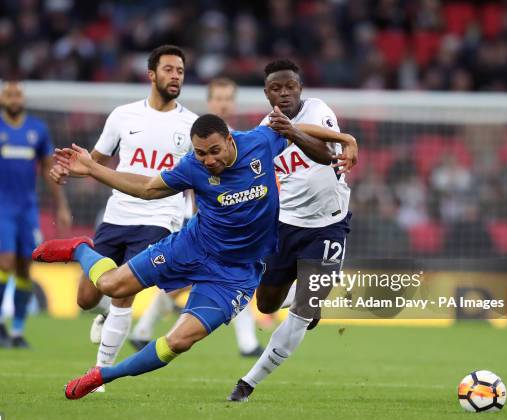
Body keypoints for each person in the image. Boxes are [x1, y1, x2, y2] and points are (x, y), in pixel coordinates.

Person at [33, 111, 334, 400]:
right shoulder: (192, 166)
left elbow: (300, 129)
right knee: (110, 286)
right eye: (201, 153)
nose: (209, 160)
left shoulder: (260, 141)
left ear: (230, 140)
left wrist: (344, 139)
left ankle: (102, 376)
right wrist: (94, 169)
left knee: (177, 342)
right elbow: (149, 189)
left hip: (234, 275)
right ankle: (79, 249)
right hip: (190, 248)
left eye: (214, 151)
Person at [50, 45, 197, 388]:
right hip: (117, 215)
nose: (176, 76)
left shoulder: (190, 125)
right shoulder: (122, 116)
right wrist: (67, 172)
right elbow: (94, 162)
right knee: (86, 298)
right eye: (169, 70)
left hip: (162, 216)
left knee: (122, 293)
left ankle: (98, 375)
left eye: (180, 71)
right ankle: (101, 314)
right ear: (152, 75)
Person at [228, 59, 358, 402]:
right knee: (267, 305)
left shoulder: (317, 111)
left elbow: (325, 155)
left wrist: (292, 131)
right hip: (284, 225)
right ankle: (307, 300)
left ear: (300, 89)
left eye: (290, 87)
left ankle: (247, 383)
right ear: (267, 92)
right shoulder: (264, 128)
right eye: (276, 88)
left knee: (301, 312)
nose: (284, 93)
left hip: (328, 225)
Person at [128, 76, 264, 357]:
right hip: (199, 222)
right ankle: (246, 342)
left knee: (202, 281)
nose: (224, 104)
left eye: (229, 99)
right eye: (219, 99)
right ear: (209, 101)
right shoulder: (199, 139)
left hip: (224, 225)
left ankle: (144, 330)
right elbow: (186, 178)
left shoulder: (235, 138)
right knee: (213, 279)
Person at [0, 80, 71, 348]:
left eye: (17, 94)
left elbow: (48, 169)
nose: (13, 98)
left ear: (22, 98)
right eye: (8, 94)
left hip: (27, 208)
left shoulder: (37, 129)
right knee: (5, 262)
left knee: (25, 266)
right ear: (1, 98)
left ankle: (18, 331)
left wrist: (62, 205)